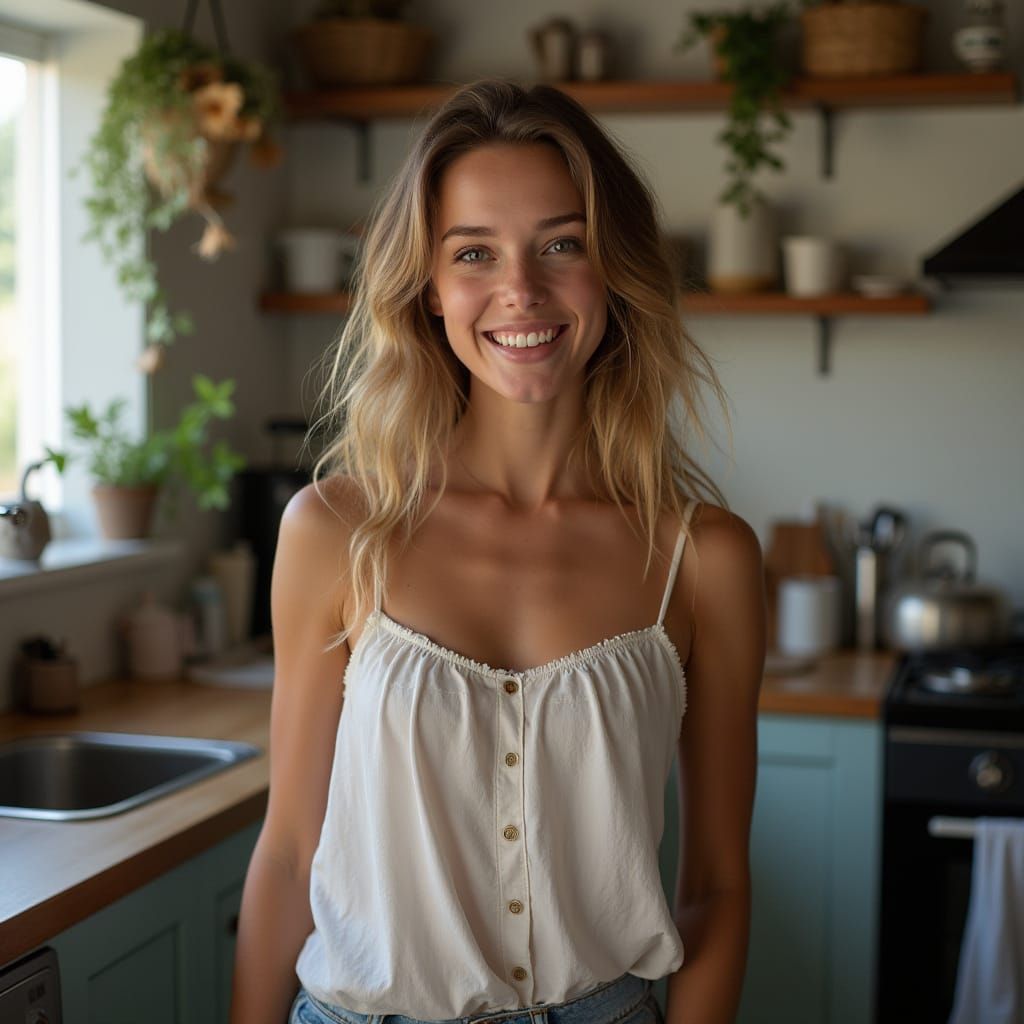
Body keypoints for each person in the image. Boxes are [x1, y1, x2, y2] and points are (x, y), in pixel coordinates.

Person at [230, 79, 766, 1024]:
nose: (521, 289)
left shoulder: (705, 558)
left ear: (616, 270)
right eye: (474, 252)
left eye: (563, 244)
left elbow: (719, 882)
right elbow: (286, 852)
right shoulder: (334, 533)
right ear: (431, 291)